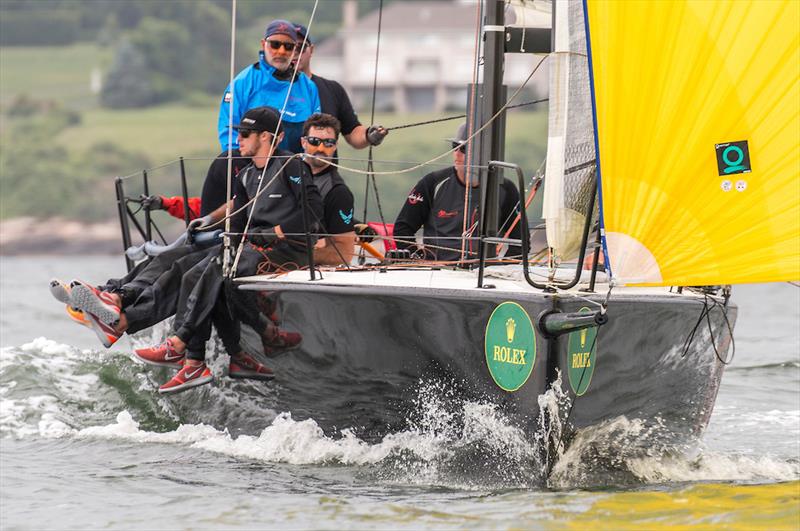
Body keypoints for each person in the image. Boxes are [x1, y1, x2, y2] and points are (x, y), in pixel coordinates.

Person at [129, 106, 324, 394]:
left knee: (215, 270)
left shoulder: (291, 165)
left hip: (287, 251)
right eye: (238, 134)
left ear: (267, 137)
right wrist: (211, 227)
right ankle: (198, 361)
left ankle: (181, 345)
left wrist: (276, 233)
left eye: (245, 135)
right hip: (253, 248)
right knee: (194, 274)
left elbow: (313, 211)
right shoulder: (246, 175)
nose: (239, 140)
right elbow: (240, 220)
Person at [392, 123, 524, 263]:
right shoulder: (433, 182)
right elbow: (403, 229)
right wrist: (418, 260)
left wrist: (502, 270)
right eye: (454, 147)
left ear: (482, 153)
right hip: (436, 270)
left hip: (484, 273)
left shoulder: (505, 189)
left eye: (464, 148)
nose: (456, 153)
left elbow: (521, 240)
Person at [218, 19, 320, 155]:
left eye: (288, 46)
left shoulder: (309, 88)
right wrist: (240, 167)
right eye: (275, 45)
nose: (281, 51)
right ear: (263, 44)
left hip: (295, 169)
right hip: (251, 168)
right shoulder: (241, 83)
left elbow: (315, 135)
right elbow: (228, 132)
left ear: (295, 49)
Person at [293, 24, 387, 150]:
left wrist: (369, 135)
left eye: (300, 47)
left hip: (324, 168)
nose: (293, 53)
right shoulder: (265, 89)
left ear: (311, 50)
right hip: (280, 169)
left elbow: (352, 132)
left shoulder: (333, 89)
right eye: (288, 47)